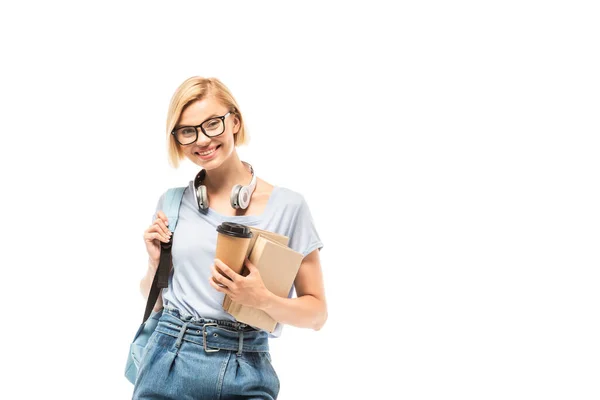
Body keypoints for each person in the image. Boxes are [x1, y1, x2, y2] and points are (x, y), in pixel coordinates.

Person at [132, 76, 327, 399]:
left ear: (234, 121)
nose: (202, 140)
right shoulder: (172, 203)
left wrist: (261, 299)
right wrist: (155, 266)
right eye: (187, 131)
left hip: (245, 364)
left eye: (212, 124)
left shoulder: (288, 206)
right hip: (169, 357)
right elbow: (155, 303)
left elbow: (317, 315)